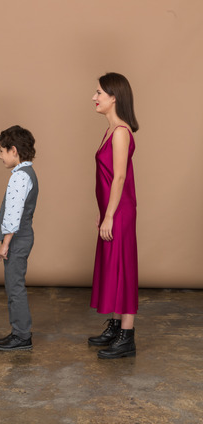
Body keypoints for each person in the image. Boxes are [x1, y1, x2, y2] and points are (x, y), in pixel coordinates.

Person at [88, 72, 139, 359]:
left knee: (124, 267)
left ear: (113, 97)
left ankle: (127, 337)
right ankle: (117, 326)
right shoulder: (110, 131)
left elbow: (119, 178)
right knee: (114, 266)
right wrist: (103, 213)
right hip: (112, 210)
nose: (94, 98)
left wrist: (110, 216)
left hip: (120, 211)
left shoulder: (120, 132)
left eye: (98, 93)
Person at [0, 125, 38, 351]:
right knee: (14, 286)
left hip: (17, 239)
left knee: (15, 287)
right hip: (23, 236)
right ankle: (18, 332)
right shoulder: (27, 173)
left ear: (13, 150)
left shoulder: (19, 177)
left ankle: (22, 336)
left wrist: (5, 244)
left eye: (2, 151)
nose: (0, 157)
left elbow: (13, 213)